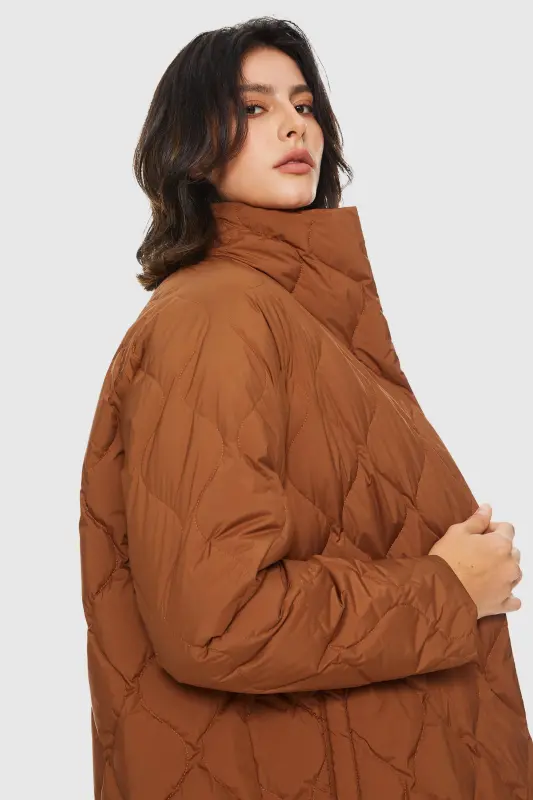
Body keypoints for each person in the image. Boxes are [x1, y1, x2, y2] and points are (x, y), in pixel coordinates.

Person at [78, 16, 532, 800]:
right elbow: (217, 619)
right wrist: (447, 591)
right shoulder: (215, 316)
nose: (295, 125)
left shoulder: (296, 313)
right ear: (191, 146)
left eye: (303, 104)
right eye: (253, 108)